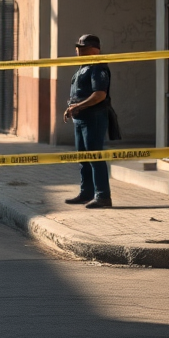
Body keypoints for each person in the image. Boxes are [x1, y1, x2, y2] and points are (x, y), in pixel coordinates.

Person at [64, 34, 114, 208]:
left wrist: (79, 106)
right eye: (78, 47)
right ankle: (86, 193)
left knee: (95, 157)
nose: (78, 50)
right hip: (80, 118)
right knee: (83, 158)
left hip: (93, 117)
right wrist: (72, 107)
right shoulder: (82, 67)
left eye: (82, 47)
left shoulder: (97, 67)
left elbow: (99, 95)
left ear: (94, 50)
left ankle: (103, 196)